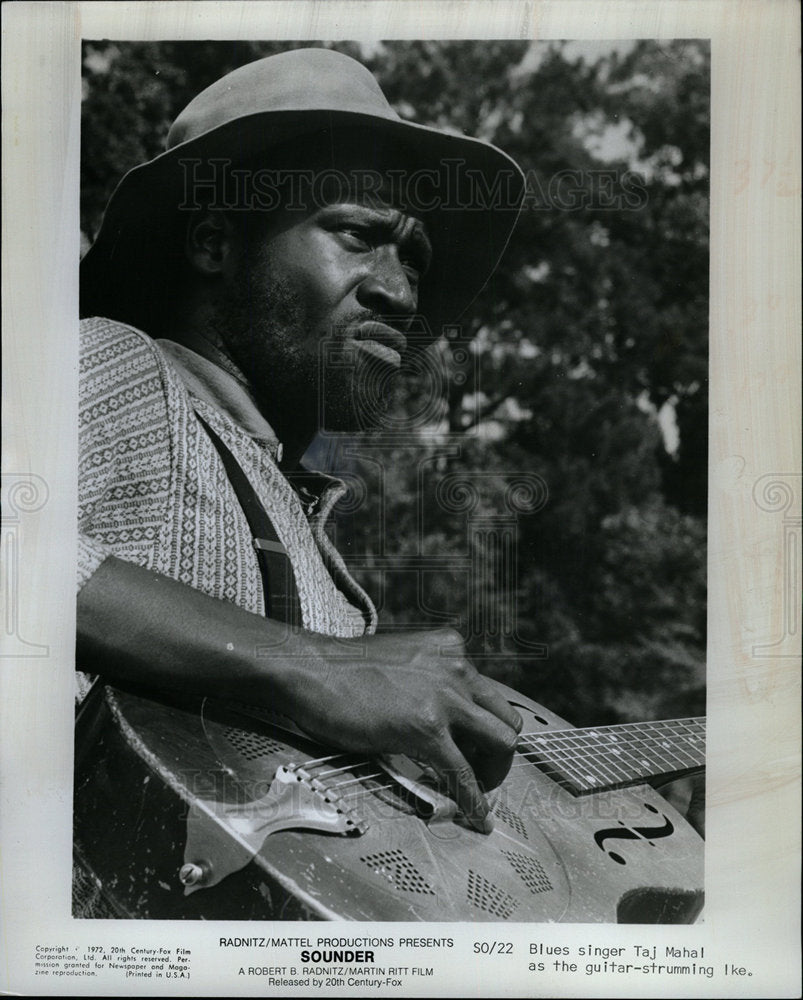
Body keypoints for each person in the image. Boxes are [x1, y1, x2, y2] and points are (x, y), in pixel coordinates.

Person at [76, 47, 528, 839]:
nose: (399, 289)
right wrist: (316, 663)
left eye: (413, 260)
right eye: (358, 234)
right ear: (214, 243)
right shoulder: (115, 363)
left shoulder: (297, 512)